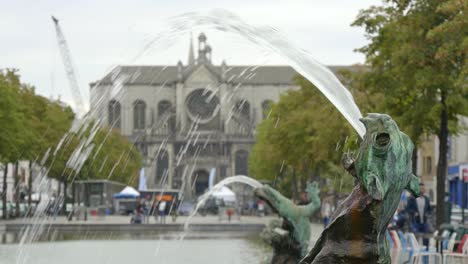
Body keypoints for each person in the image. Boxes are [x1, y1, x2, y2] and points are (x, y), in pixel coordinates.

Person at [406, 183, 432, 247]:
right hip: (415, 223)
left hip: (424, 223)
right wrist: (414, 213)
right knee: (415, 240)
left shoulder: (427, 199)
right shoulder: (412, 198)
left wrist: (427, 214)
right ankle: (414, 255)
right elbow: (408, 209)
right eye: (420, 188)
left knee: (426, 240)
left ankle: (425, 255)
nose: (422, 190)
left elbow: (429, 209)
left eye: (423, 188)